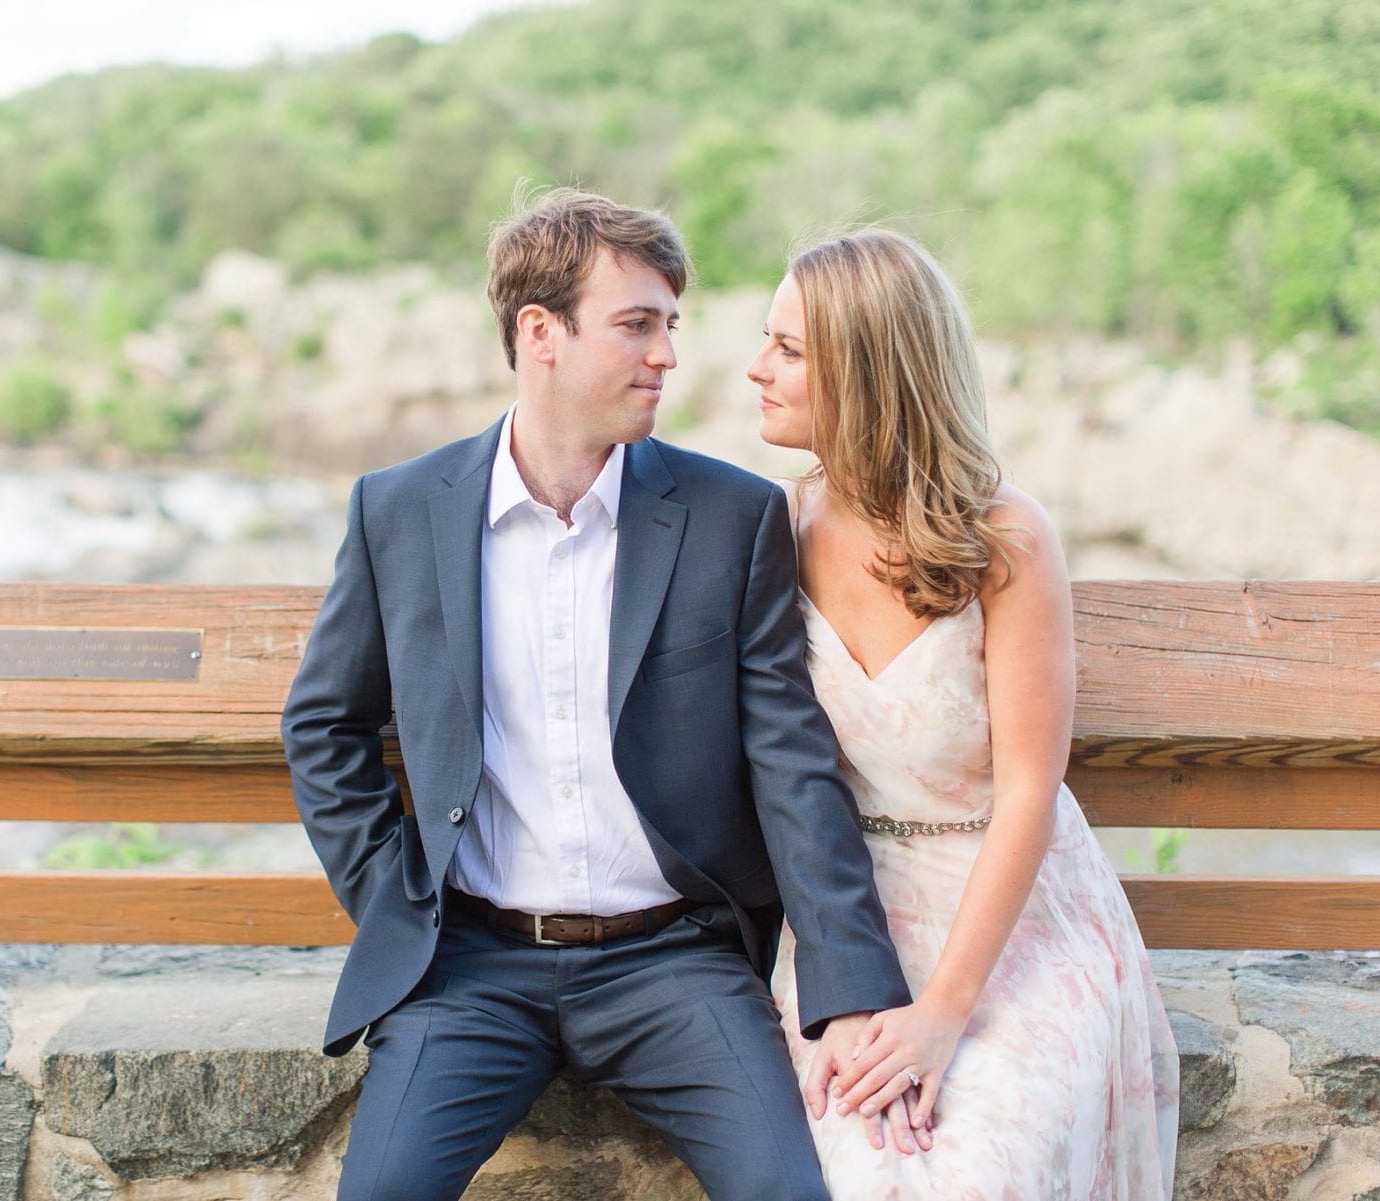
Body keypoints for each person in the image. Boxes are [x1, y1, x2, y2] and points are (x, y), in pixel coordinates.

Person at [282, 189, 912, 1201]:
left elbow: (792, 762)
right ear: (541, 333)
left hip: (674, 963)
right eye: (636, 325)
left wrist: (852, 991)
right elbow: (326, 723)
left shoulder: (730, 516)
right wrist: (397, 901)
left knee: (787, 1191)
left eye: (670, 325)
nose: (666, 354)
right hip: (471, 969)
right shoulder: (400, 510)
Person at [748, 228, 1180, 1198]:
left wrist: (945, 1009)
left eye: (788, 349)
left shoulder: (1003, 537)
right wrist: (845, 988)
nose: (754, 368)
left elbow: (1032, 787)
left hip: (1013, 916)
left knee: (982, 1173)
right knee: (863, 1171)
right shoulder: (771, 531)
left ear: (863, 371)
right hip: (849, 917)